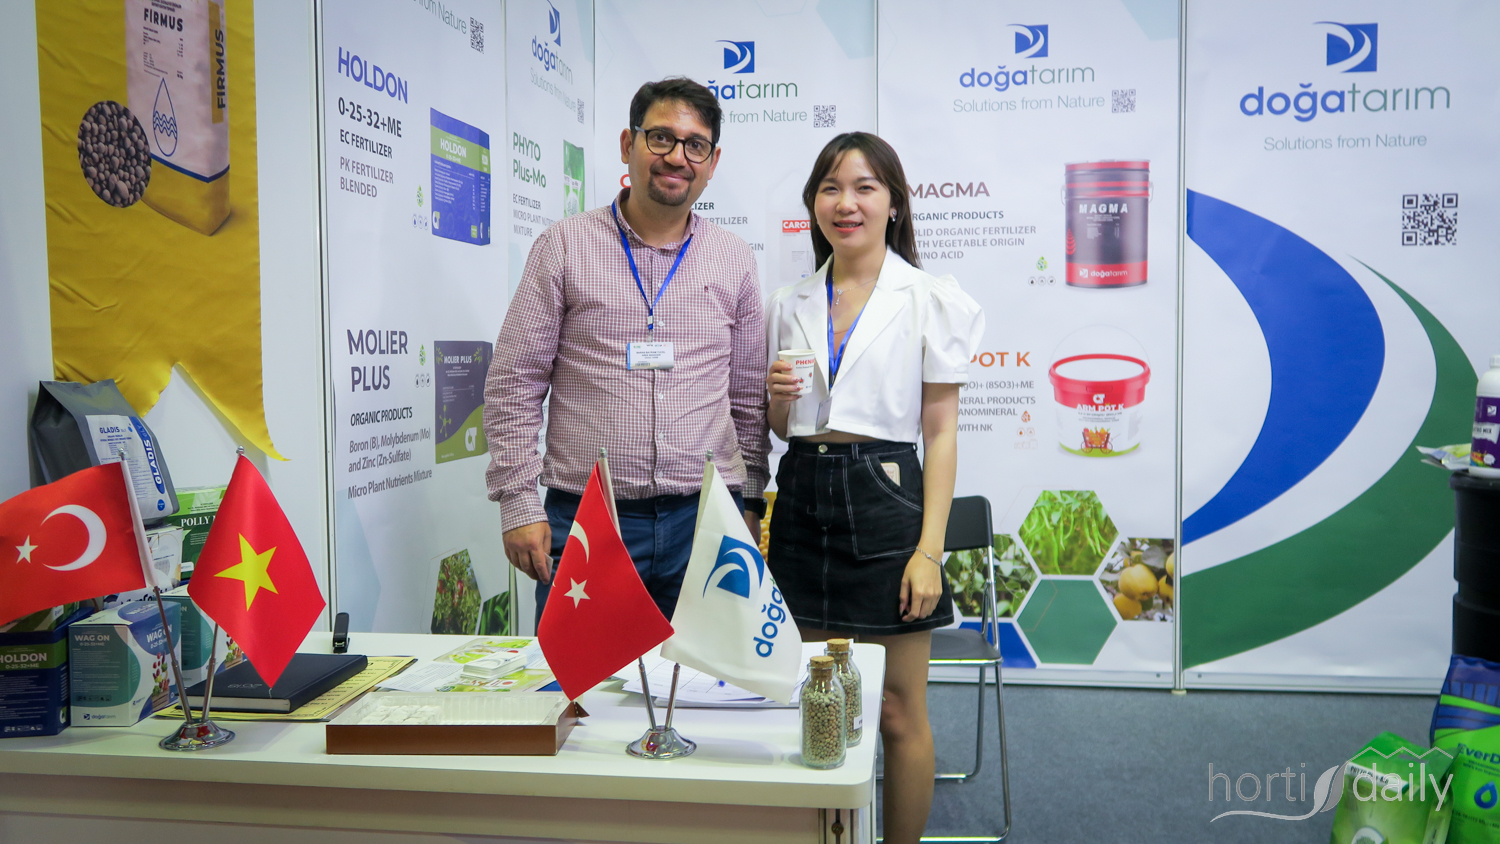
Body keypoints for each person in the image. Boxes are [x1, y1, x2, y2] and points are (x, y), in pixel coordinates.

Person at [764, 133, 984, 844]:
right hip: (801, 494)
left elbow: (941, 436)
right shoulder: (788, 301)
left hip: (886, 495)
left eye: (864, 187)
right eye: (831, 187)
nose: (846, 203)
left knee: (896, 708)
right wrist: (775, 400)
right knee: (815, 697)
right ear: (813, 204)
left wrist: (929, 552)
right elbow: (781, 428)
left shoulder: (929, 298)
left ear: (894, 204)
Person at [484, 78, 769, 622]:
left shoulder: (733, 259)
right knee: (582, 675)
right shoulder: (564, 247)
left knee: (706, 677)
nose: (677, 157)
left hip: (708, 522)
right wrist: (518, 501)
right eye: (660, 137)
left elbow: (748, 399)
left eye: (695, 145)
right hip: (591, 520)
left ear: (712, 163)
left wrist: (751, 500)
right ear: (627, 144)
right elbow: (514, 384)